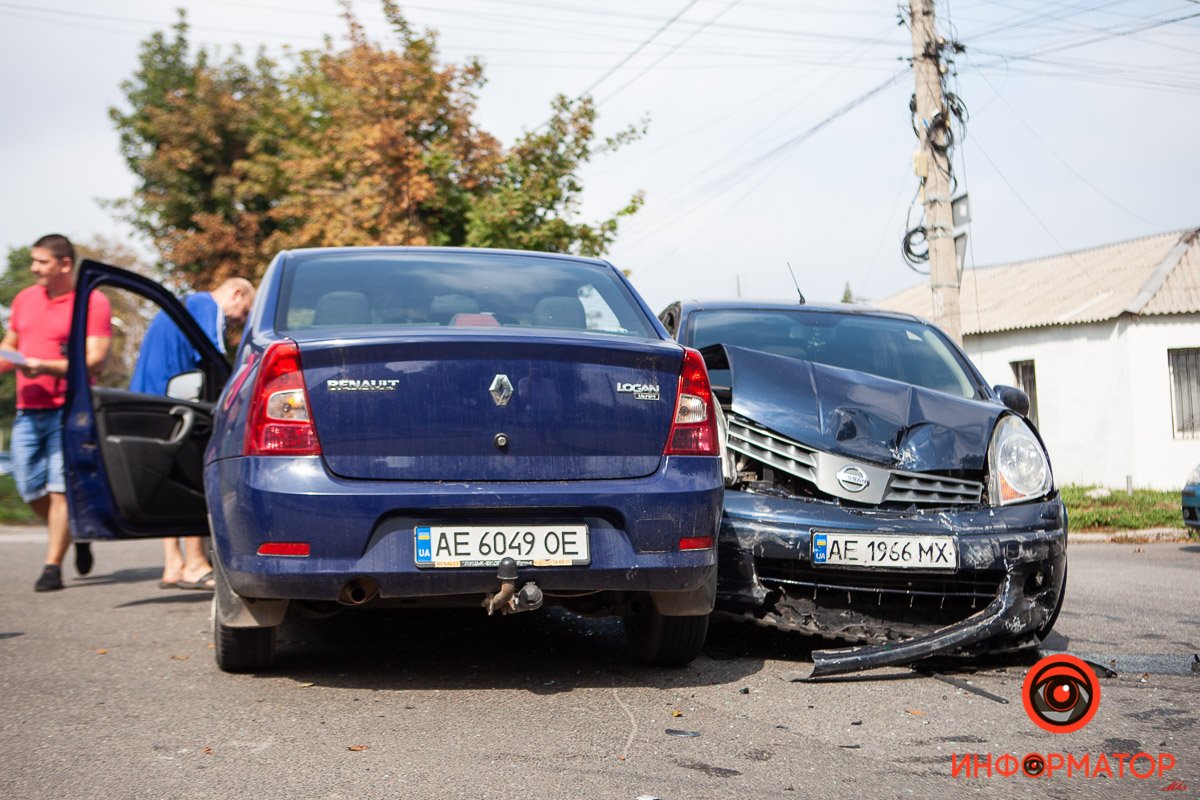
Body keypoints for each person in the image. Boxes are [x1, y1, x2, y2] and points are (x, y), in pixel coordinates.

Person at [0, 234, 112, 591]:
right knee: (29, 487)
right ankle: (77, 529)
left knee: (61, 488)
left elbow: (96, 359)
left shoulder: (91, 302)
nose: (33, 268)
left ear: (65, 264)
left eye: (41, 261)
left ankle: (51, 567)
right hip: (27, 410)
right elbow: (10, 345)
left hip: (70, 409)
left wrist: (45, 366)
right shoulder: (24, 299)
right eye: (33, 260)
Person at [129, 277, 255, 590]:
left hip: (146, 400)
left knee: (166, 482)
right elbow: (213, 358)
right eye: (243, 312)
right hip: (175, 402)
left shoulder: (181, 304)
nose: (238, 320)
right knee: (192, 478)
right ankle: (196, 563)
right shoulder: (206, 306)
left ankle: (173, 564)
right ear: (236, 292)